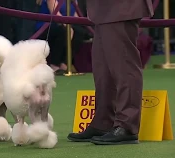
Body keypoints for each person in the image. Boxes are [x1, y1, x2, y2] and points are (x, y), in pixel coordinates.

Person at [67, 0, 154, 145]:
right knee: (103, 71)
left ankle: (127, 125)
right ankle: (104, 121)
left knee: (124, 66)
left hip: (121, 8)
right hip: (104, 10)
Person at [36, 0, 87, 75]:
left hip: (65, 26)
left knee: (80, 32)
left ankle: (65, 63)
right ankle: (55, 65)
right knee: (63, 31)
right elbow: (56, 16)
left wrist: (73, 27)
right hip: (47, 26)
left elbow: (76, 17)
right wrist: (68, 27)